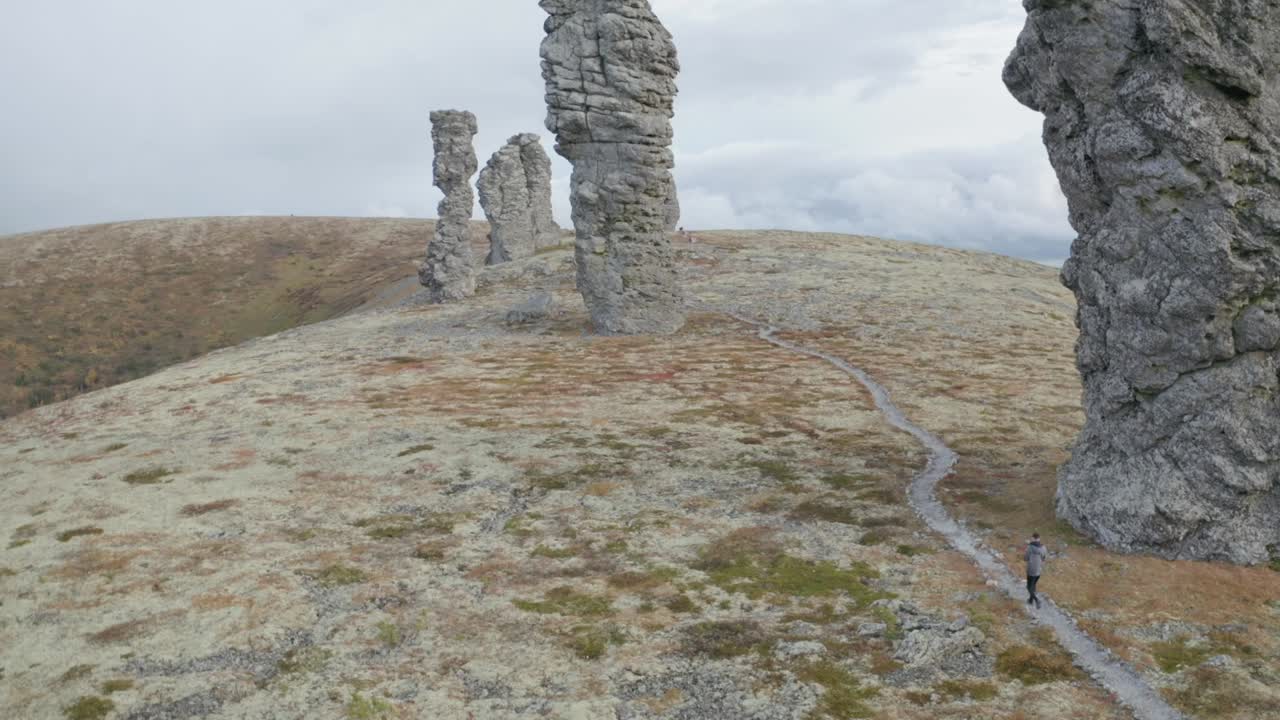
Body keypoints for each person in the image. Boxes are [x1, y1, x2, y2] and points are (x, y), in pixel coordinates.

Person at [1025, 533, 1047, 608]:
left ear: (1033, 538)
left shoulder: (1030, 547)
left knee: (1028, 587)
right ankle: (1030, 601)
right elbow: (1044, 558)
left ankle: (1037, 600)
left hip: (1031, 569)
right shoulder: (1043, 547)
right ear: (1039, 538)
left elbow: (1026, 558)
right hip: (1038, 570)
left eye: (1032, 538)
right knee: (1033, 586)